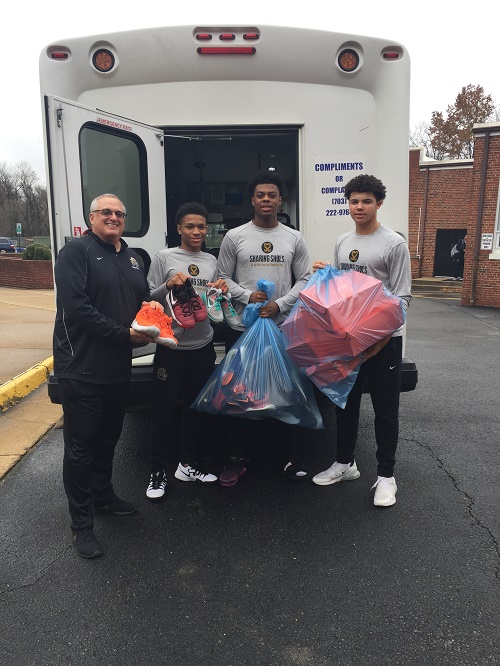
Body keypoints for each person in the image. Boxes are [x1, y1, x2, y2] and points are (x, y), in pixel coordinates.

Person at [53, 194, 162, 559]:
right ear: (91, 218)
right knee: (81, 449)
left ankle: (103, 497)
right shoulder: (76, 252)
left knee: (108, 439)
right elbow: (78, 307)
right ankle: (81, 525)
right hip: (81, 368)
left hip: (118, 369)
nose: (114, 217)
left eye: (119, 213)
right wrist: (124, 335)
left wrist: (154, 307)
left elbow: (141, 301)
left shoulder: (131, 258)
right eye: (107, 212)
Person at [311, 174, 412, 507]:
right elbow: (341, 292)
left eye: (366, 201)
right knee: (346, 404)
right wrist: (325, 276)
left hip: (384, 344)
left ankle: (386, 477)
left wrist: (380, 341)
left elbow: (402, 298)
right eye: (354, 201)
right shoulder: (342, 242)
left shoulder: (393, 243)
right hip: (347, 341)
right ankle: (345, 463)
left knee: (385, 410)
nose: (359, 206)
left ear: (379, 203)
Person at [216, 171, 312, 485]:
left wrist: (281, 304)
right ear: (252, 200)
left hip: (282, 328)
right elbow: (222, 277)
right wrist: (246, 296)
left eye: (272, 195)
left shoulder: (293, 237)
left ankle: (288, 457)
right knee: (238, 395)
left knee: (284, 393)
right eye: (261, 195)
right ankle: (236, 458)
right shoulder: (235, 236)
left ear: (280, 199)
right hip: (243, 331)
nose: (266, 200)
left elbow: (305, 279)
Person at [145, 202, 230, 501]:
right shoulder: (165, 256)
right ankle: (157, 471)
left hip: (203, 347)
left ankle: (187, 464)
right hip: (172, 347)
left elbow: (213, 302)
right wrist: (168, 284)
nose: (196, 231)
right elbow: (149, 297)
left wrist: (220, 290)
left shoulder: (211, 259)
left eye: (201, 227)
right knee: (163, 412)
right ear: (179, 228)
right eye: (190, 226)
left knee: (195, 408)